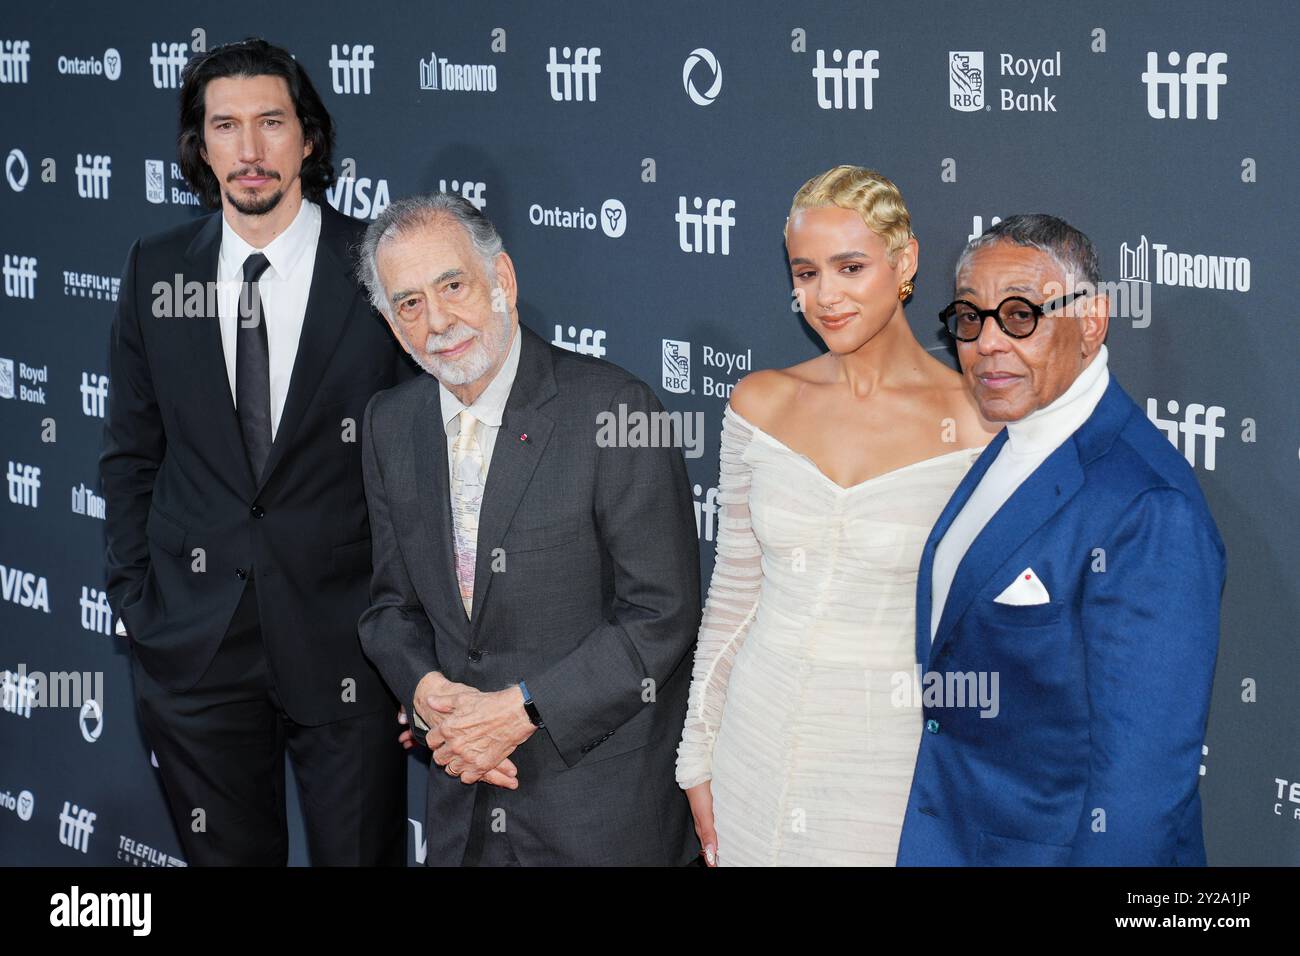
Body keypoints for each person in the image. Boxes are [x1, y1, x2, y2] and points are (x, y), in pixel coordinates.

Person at [100, 38, 414, 865]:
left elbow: (432, 456)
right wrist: (138, 602)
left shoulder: (379, 268)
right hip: (194, 647)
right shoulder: (154, 269)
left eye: (271, 122)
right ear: (199, 146)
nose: (249, 150)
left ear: (308, 137)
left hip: (348, 645)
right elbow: (131, 455)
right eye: (225, 126)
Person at [355, 193, 701, 866]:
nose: (437, 321)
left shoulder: (615, 411)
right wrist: (427, 695)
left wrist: (522, 711)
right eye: (409, 303)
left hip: (597, 811)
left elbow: (661, 615)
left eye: (451, 285)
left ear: (501, 281)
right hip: (463, 803)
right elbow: (390, 608)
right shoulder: (389, 425)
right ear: (393, 325)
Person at [674, 166, 998, 866]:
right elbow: (733, 597)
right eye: (806, 272)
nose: (825, 296)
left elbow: (989, 638)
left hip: (888, 763)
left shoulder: (974, 423)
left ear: (904, 260)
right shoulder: (761, 404)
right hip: (751, 747)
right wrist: (697, 753)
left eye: (850, 267)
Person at [897, 214, 1225, 865]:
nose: (986, 343)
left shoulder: (1147, 508)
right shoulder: (1019, 439)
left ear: (1093, 321)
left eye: (1020, 315)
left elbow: (1139, 796)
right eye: (969, 317)